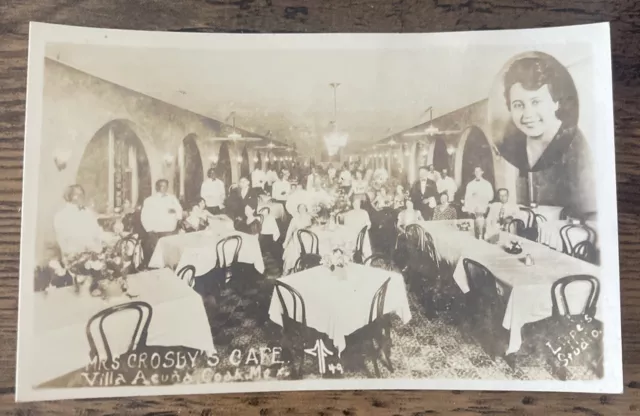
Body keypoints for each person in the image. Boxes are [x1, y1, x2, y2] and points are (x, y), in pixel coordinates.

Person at [497, 53, 595, 214]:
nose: (528, 115)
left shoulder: (574, 144)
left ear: (555, 102)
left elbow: (589, 207)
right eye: (518, 105)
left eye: (536, 102)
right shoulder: (513, 142)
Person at [53, 184, 104, 260]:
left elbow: (97, 232)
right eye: (78, 195)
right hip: (74, 258)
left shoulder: (88, 212)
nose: (82, 197)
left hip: (94, 255)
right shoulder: (61, 216)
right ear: (70, 197)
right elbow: (64, 242)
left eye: (82, 194)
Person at [140, 179, 183, 266]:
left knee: (169, 253)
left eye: (166, 186)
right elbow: (144, 216)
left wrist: (176, 216)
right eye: (162, 186)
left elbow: (179, 210)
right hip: (155, 231)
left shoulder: (172, 198)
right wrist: (149, 229)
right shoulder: (150, 200)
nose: (164, 188)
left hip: (169, 230)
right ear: (157, 187)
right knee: (156, 254)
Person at [462, 167, 494, 239]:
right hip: (472, 210)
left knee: (482, 229)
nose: (477, 173)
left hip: (483, 210)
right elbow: (466, 197)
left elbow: (491, 197)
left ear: (482, 172)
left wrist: (480, 195)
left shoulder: (487, 184)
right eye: (476, 171)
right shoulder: (470, 184)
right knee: (472, 231)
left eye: (479, 171)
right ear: (474, 173)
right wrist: (468, 208)